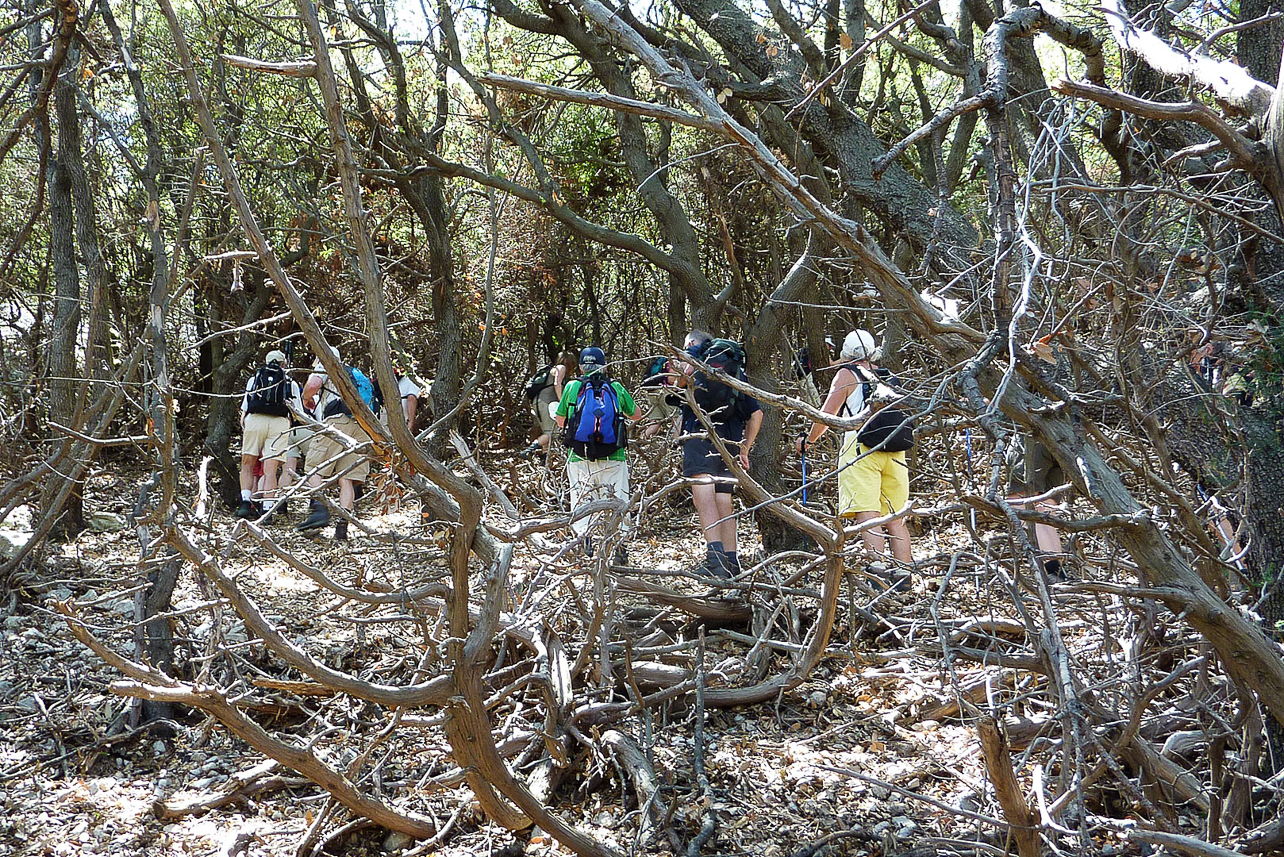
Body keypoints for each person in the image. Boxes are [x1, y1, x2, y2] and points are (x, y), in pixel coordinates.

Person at [797, 329, 913, 573]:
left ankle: (877, 574)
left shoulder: (847, 375)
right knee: (895, 516)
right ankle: (904, 575)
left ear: (846, 353)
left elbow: (827, 416)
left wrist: (808, 441)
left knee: (869, 515)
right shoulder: (889, 377)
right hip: (895, 451)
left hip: (861, 451)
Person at [672, 330, 762, 579]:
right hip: (731, 440)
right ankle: (732, 562)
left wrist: (682, 364)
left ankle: (715, 559)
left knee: (703, 494)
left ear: (691, 344)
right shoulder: (736, 372)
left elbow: (675, 384)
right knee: (724, 500)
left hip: (699, 436)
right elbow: (757, 414)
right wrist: (744, 448)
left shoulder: (693, 363)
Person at [555, 347, 642, 563]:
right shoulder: (615, 387)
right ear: (604, 365)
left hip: (578, 455)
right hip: (614, 455)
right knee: (617, 499)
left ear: (582, 366)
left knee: (582, 498)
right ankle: (619, 547)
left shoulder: (573, 386)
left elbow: (560, 421)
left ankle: (585, 541)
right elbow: (637, 415)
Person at [297, 347, 374, 541]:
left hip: (337, 421)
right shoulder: (352, 372)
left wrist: (306, 398)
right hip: (362, 426)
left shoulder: (327, 364)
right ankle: (342, 527)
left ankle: (319, 510)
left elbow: (313, 384)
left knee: (314, 467)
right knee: (347, 478)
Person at [237, 349, 302, 520]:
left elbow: (245, 407)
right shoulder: (289, 382)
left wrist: (245, 425)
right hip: (279, 423)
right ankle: (267, 509)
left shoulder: (255, 379)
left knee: (247, 463)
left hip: (255, 420)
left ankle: (245, 502)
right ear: (283, 364)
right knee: (270, 470)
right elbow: (297, 413)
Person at [524, 352, 577, 459]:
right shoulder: (561, 368)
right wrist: (562, 402)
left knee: (547, 432)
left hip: (540, 402)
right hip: (546, 402)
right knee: (553, 432)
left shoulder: (554, 369)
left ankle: (545, 459)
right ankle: (529, 450)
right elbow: (557, 383)